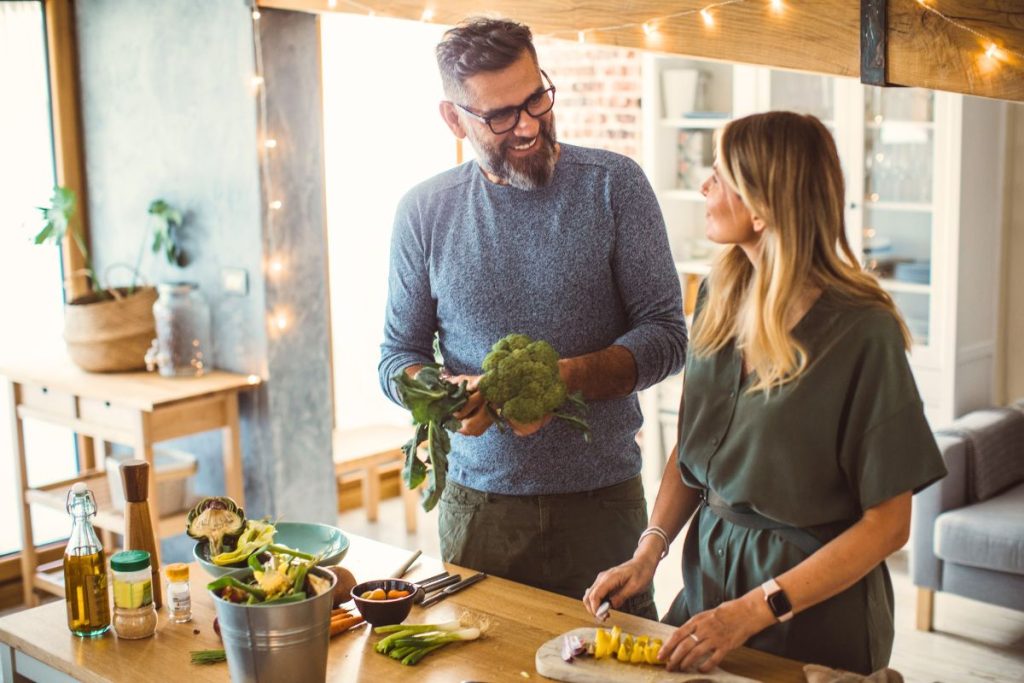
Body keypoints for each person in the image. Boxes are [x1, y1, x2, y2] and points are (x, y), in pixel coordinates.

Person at [583, 111, 947, 673]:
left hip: (818, 616)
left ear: (764, 205)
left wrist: (755, 610)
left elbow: (889, 525)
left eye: (720, 175)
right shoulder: (714, 299)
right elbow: (690, 451)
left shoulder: (861, 330)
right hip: (707, 594)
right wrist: (648, 553)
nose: (703, 186)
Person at [378, 17, 688, 619]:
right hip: (480, 511)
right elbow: (396, 356)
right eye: (500, 115)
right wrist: (444, 395)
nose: (527, 125)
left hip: (604, 504)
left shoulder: (615, 186)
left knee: (618, 664)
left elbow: (668, 337)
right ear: (453, 118)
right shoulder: (425, 212)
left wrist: (562, 378)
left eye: (536, 99)